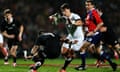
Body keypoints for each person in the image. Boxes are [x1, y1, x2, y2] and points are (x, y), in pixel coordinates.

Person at [75, 0, 117, 71]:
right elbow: (90, 24)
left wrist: (93, 31)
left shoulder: (94, 12)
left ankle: (83, 65)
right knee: (98, 51)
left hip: (95, 34)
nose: (87, 6)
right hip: (95, 34)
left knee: (82, 48)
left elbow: (100, 23)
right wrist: (84, 25)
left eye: (88, 5)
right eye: (86, 5)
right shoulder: (89, 13)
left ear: (93, 6)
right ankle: (112, 64)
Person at [53, 3, 84, 72]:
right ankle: (70, 57)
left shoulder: (74, 16)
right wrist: (53, 18)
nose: (64, 12)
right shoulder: (64, 17)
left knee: (71, 52)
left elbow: (80, 23)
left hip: (78, 38)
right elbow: (56, 22)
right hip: (70, 36)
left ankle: (64, 68)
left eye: (65, 11)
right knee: (63, 52)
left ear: (68, 10)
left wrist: (73, 23)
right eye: (62, 11)